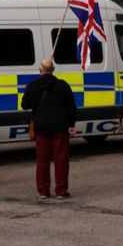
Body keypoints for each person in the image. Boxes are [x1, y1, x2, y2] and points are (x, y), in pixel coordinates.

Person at [21, 59, 77, 199]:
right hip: (60, 127)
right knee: (61, 160)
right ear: (53, 70)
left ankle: (43, 191)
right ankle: (61, 191)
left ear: (40, 70)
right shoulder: (63, 85)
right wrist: (71, 124)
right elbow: (71, 107)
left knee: (42, 161)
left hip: (41, 128)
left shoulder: (32, 86)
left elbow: (24, 105)